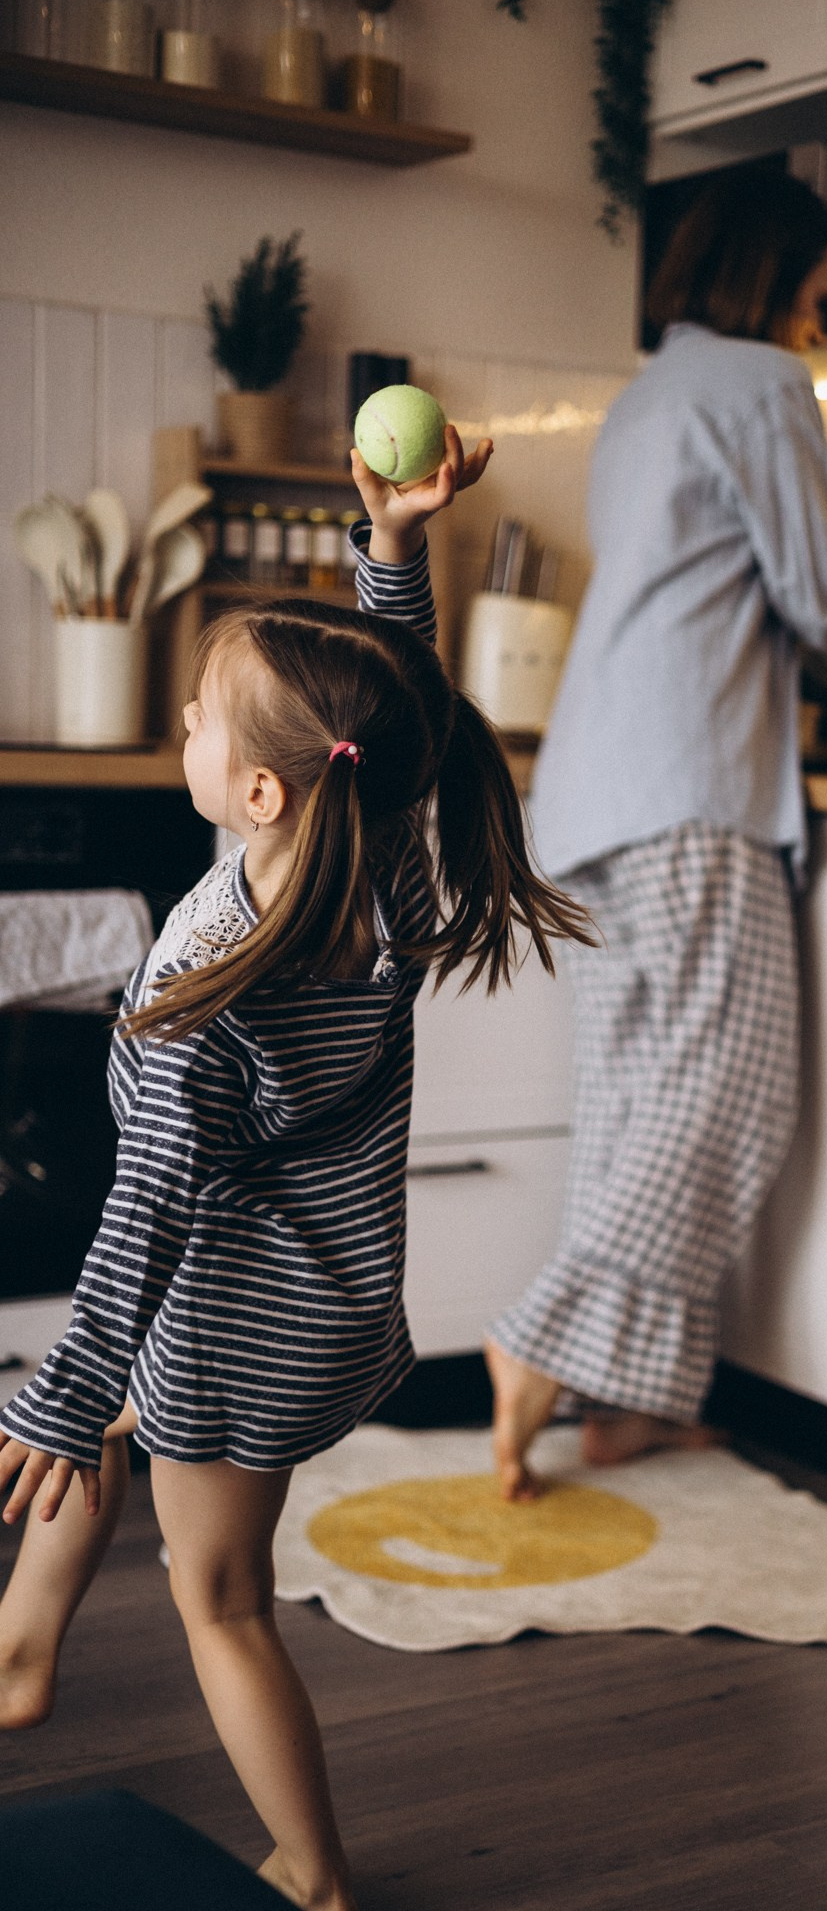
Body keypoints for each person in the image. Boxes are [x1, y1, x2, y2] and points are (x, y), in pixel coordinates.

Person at [0, 426, 590, 1911]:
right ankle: (23, 1646)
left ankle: (316, 1874)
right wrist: (394, 551)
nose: (184, 729)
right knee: (137, 1422)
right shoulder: (365, 867)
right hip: (323, 1299)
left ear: (258, 792)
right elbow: (389, 719)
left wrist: (62, 1389)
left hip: (237, 1321)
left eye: (198, 717)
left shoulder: (208, 982)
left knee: (221, 1599)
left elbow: (143, 1212)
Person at [477, 165, 827, 1501]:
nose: (826, 324)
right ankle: (541, 1344)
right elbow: (822, 597)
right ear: (774, 281)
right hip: (688, 788)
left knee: (638, 1101)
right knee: (723, 1103)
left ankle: (623, 1408)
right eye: (821, 296)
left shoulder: (647, 399)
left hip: (592, 791)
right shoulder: (760, 385)